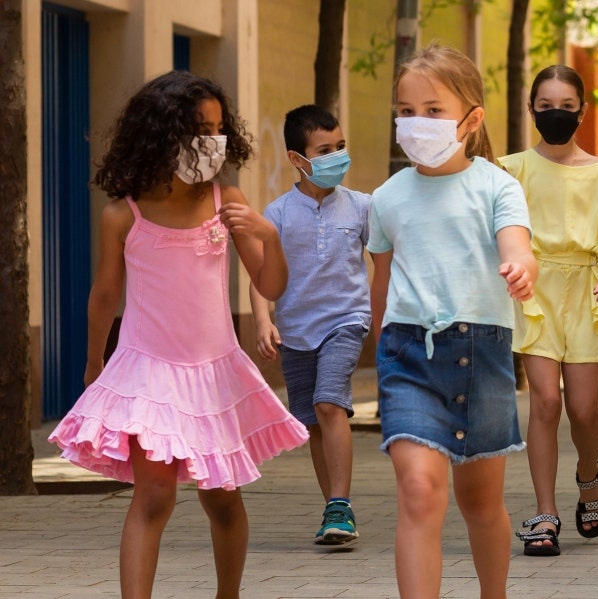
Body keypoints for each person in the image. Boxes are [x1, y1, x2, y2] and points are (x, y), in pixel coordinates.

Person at [47, 71, 309, 599]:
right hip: (147, 372)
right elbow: (104, 297)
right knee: (153, 497)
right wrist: (95, 365)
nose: (209, 141)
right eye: (196, 129)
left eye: (216, 129)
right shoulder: (124, 214)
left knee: (223, 500)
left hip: (216, 376)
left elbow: (270, 282)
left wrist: (270, 236)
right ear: (159, 134)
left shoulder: (225, 200)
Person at [368, 44, 537, 599]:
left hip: (482, 357)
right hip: (408, 356)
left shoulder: (497, 185)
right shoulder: (386, 198)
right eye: (406, 108)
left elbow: (518, 244)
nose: (417, 122)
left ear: (472, 119)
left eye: (433, 110)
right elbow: (382, 283)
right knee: (419, 491)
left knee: (481, 505)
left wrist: (520, 266)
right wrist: (373, 356)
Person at [498, 65, 598, 557]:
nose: (556, 114)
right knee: (546, 403)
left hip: (589, 292)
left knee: (583, 409)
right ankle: (545, 514)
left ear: (581, 112)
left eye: (566, 107)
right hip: (535, 290)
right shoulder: (511, 170)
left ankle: (590, 472)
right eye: (546, 105)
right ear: (531, 110)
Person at [250, 105, 371, 545]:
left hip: (347, 321)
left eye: (340, 147)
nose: (336, 156)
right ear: (297, 159)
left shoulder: (362, 207)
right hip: (297, 331)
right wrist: (263, 319)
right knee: (313, 421)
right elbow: (261, 275)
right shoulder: (278, 213)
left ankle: (342, 503)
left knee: (328, 404)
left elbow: (387, 261)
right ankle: (333, 510)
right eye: (324, 150)